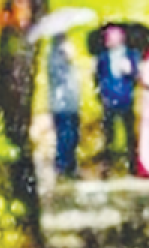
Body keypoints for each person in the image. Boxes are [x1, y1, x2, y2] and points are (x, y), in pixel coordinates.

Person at [94, 26, 140, 176]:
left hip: (126, 99)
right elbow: (97, 78)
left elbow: (137, 76)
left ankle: (133, 167)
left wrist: (130, 71)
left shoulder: (131, 55)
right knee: (108, 136)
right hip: (109, 100)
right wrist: (101, 94)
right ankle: (107, 168)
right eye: (108, 38)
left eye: (113, 38)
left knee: (130, 135)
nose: (110, 41)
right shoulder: (102, 58)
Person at [46, 36, 81, 180]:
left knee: (73, 135)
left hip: (72, 103)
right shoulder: (55, 57)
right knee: (64, 135)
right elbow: (57, 78)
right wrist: (67, 59)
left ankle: (71, 165)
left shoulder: (67, 59)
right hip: (60, 104)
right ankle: (62, 167)